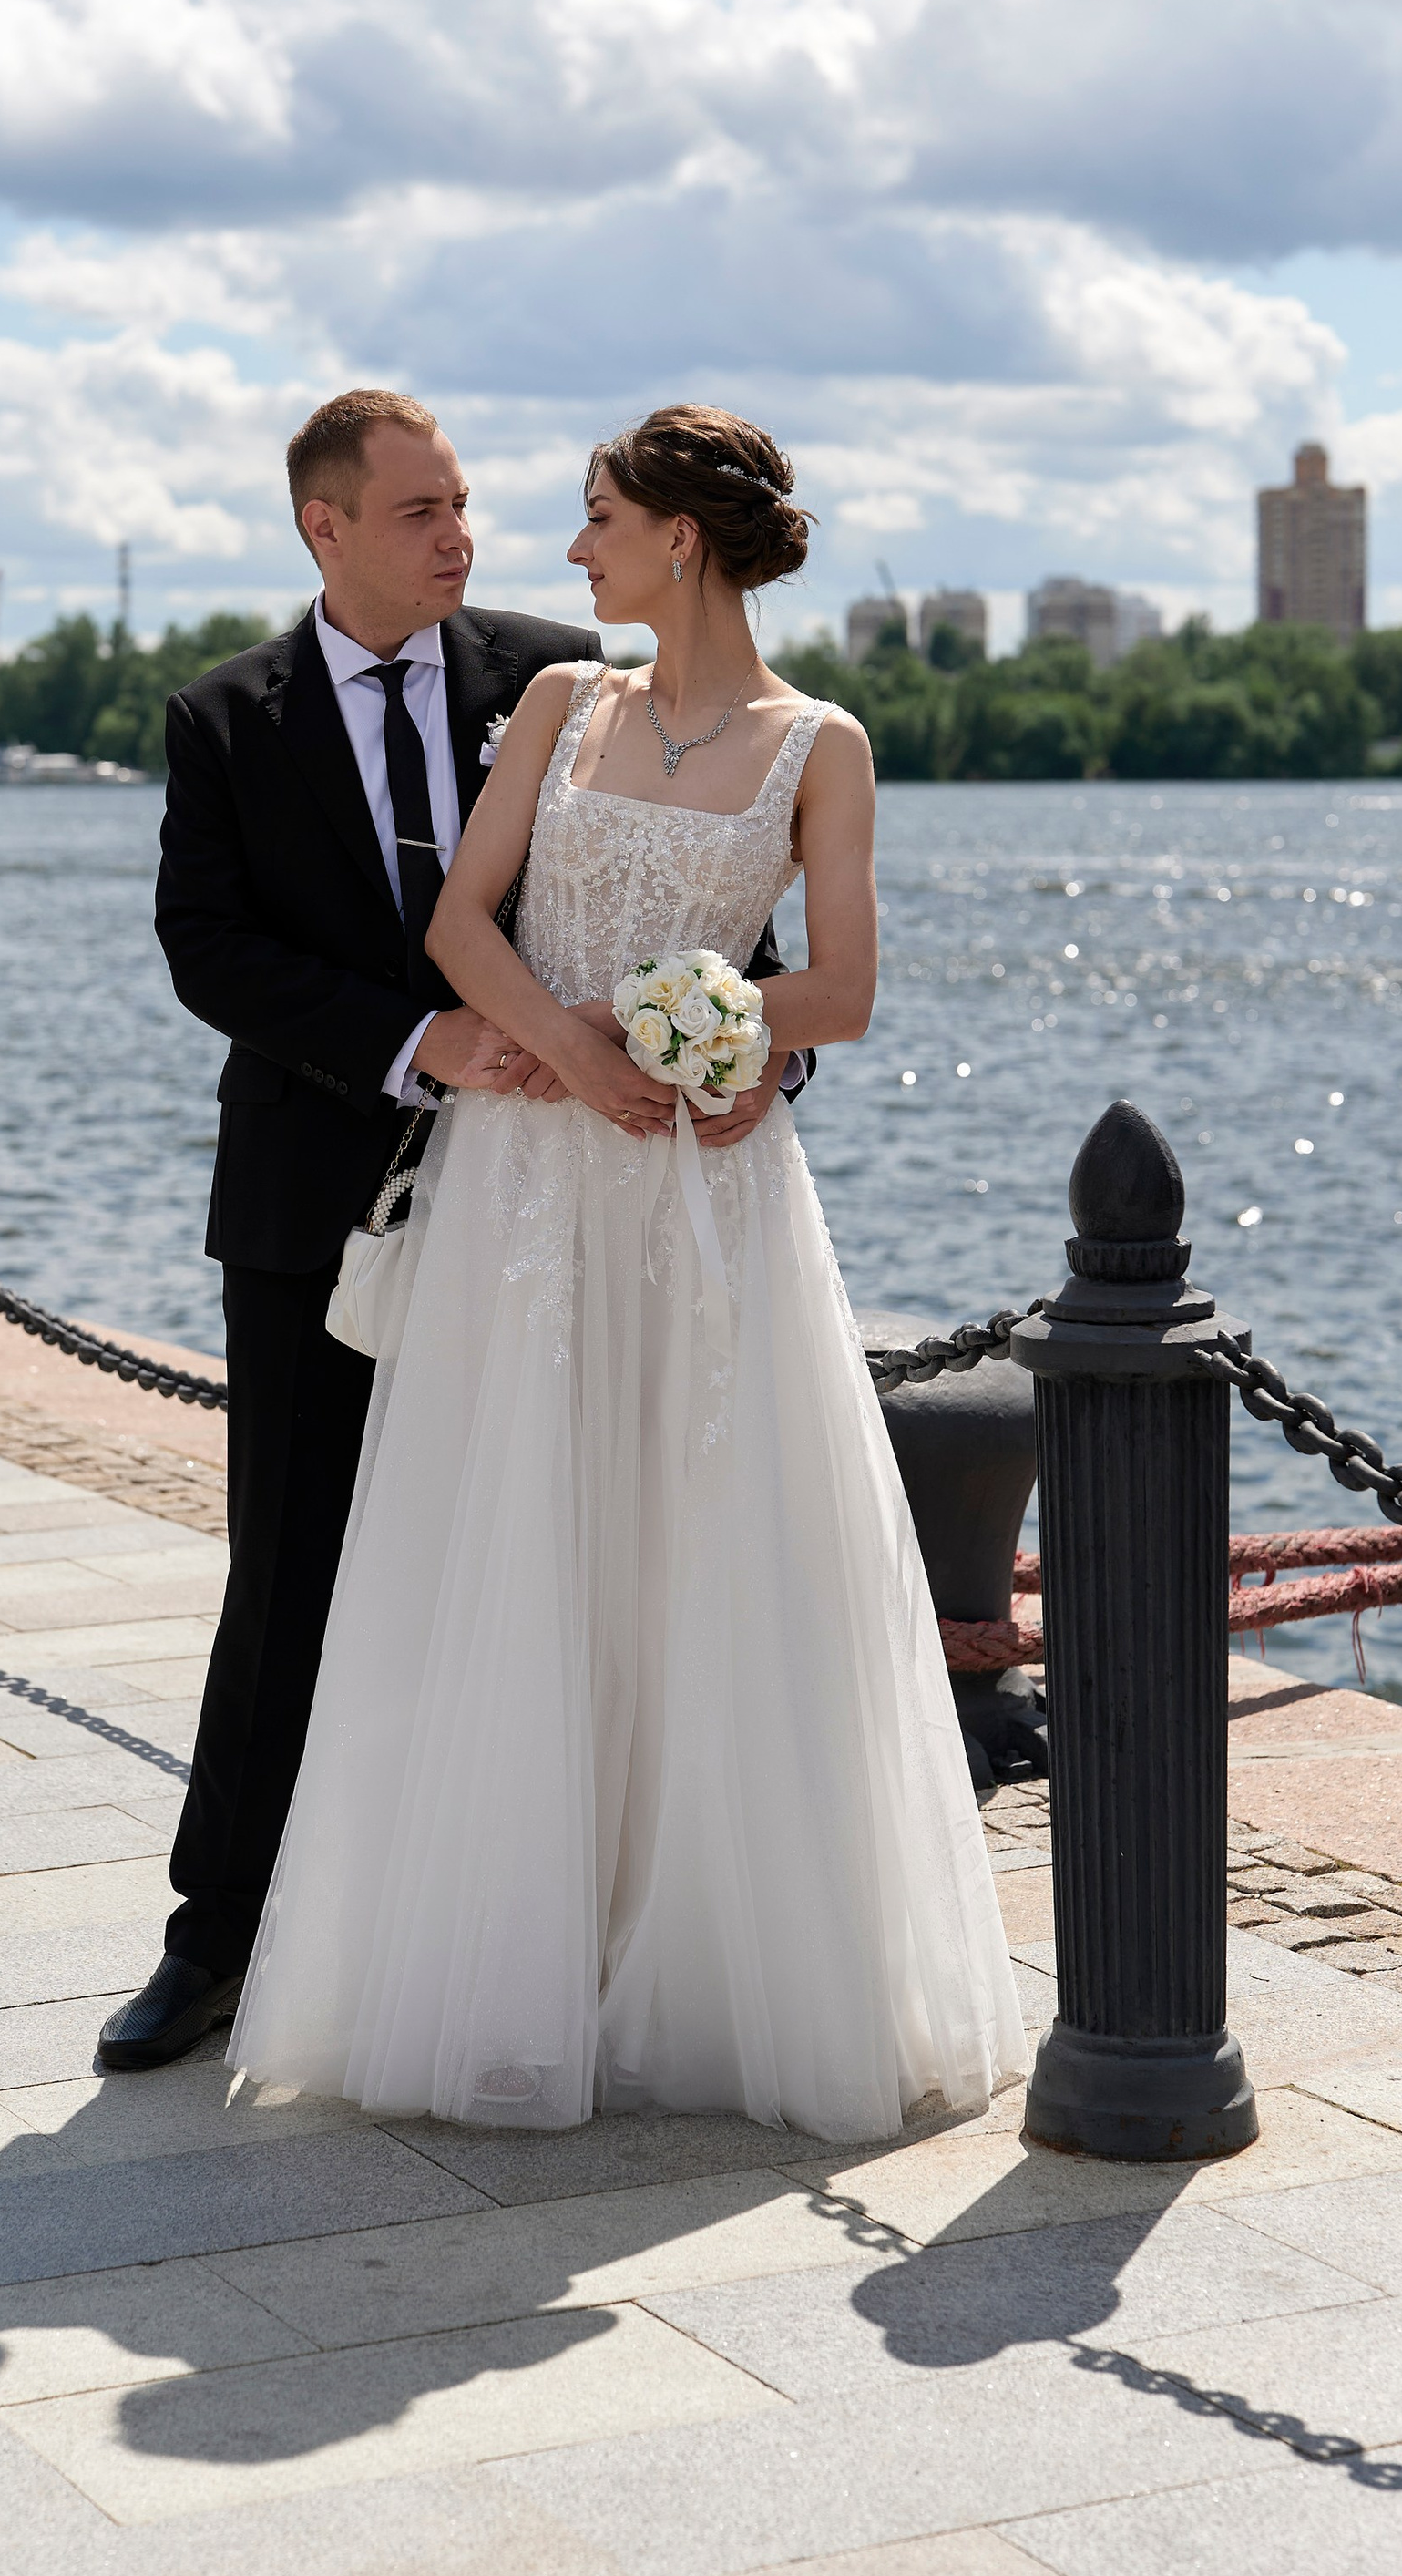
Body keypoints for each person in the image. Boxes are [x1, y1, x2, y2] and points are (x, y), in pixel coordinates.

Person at [228, 405, 1024, 2134]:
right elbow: (458, 926)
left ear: (678, 539)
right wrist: (580, 1055)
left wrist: (719, 1037)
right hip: (528, 1178)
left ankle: (711, 1968)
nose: (565, 551)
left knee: (700, 1545)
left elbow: (843, 990)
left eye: (595, 519)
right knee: (518, 1540)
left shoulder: (824, 743)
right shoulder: (560, 703)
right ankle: (510, 1961)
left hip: (704, 1201)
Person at [97, 390, 799, 2070]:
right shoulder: (226, 719)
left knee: (562, 1558)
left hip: (574, 1207)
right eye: (420, 511)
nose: (462, 536)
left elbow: (738, 895)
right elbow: (208, 947)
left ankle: (546, 1936)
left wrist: (757, 1057)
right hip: (312, 1201)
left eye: (467, 501)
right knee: (292, 1574)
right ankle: (219, 1942)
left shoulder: (572, 670)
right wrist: (422, 1043)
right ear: (322, 529)